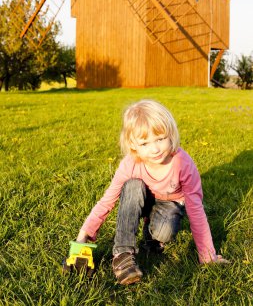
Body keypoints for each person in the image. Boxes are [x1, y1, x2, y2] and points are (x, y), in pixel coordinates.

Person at [76, 99, 229, 285]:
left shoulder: (183, 164)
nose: (155, 149)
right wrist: (84, 235)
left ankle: (151, 237)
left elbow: (196, 210)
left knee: (163, 232)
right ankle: (123, 255)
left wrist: (207, 255)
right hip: (141, 199)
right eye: (144, 143)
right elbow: (106, 201)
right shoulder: (130, 164)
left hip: (169, 204)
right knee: (132, 185)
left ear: (171, 134)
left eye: (160, 139)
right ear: (133, 145)